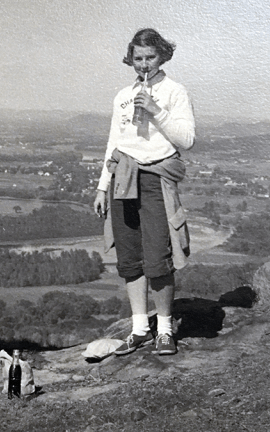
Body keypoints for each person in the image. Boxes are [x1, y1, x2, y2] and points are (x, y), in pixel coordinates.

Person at [93, 28, 195, 356]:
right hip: (123, 177)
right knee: (129, 257)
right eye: (138, 58)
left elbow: (187, 140)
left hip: (155, 180)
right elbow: (114, 142)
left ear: (163, 56)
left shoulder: (175, 91)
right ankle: (139, 328)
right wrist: (101, 186)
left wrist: (155, 109)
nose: (144, 63)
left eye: (150, 57)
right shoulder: (122, 95)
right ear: (130, 59)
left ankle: (164, 330)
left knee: (157, 258)